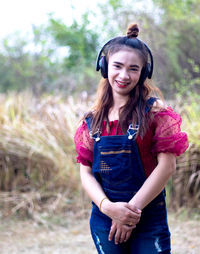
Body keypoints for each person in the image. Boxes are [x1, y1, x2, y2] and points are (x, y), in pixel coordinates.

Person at [74, 23, 188, 254]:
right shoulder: (91, 121)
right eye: (117, 66)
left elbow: (167, 167)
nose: (124, 75)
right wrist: (109, 209)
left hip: (147, 217)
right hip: (104, 218)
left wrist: (129, 214)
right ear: (104, 67)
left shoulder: (155, 113)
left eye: (133, 69)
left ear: (143, 73)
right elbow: (85, 172)